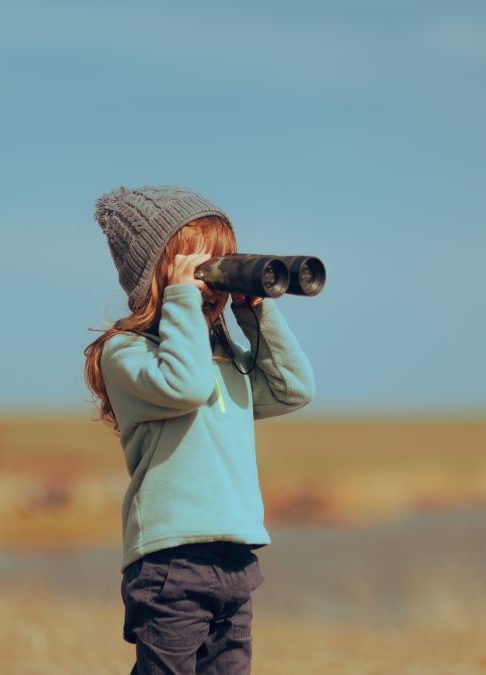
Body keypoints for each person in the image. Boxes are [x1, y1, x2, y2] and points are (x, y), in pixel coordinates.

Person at [83, 185, 316, 674]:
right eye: (198, 263)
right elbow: (185, 386)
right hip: (172, 563)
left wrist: (254, 310)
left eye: (223, 262)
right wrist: (183, 301)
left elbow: (294, 388)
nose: (213, 276)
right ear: (159, 274)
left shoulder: (224, 359)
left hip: (236, 558)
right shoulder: (127, 354)